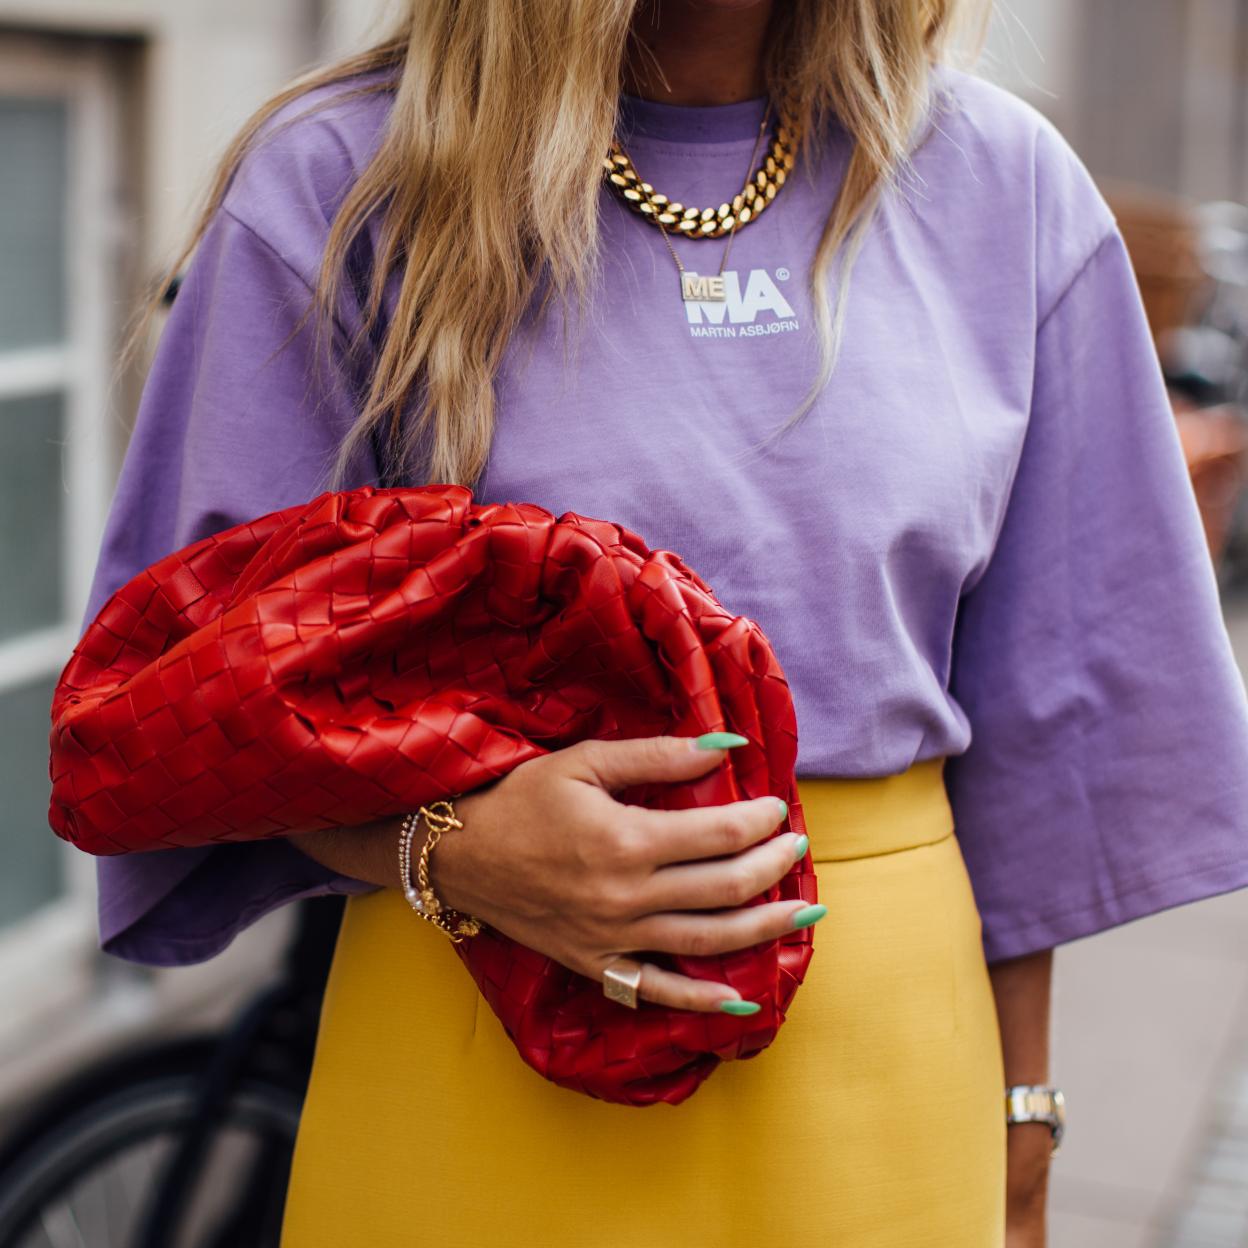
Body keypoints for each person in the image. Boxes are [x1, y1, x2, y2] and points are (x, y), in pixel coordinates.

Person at [74, 1, 1248, 1245]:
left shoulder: (1005, 188)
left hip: (887, 1084)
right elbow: (178, 704)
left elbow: (1042, 747)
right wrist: (446, 849)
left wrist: (1023, 1117)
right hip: (478, 1042)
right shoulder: (342, 178)